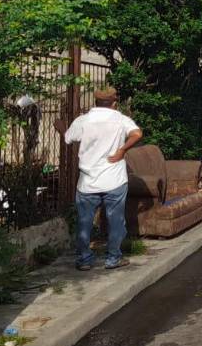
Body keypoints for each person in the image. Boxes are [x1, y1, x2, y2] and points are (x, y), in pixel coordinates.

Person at [61, 87, 143, 271]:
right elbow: (137, 134)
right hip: (114, 180)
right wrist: (122, 150)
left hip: (87, 183)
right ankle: (113, 258)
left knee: (84, 222)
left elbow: (68, 138)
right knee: (115, 221)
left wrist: (60, 127)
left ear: (95, 102)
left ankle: (84, 260)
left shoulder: (83, 120)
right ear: (114, 103)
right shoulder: (121, 119)